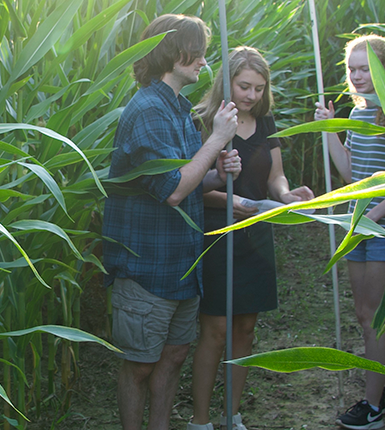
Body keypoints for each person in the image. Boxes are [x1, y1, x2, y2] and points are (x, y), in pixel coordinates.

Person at [102, 13, 242, 430]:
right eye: (195, 51)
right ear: (171, 52)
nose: (203, 61)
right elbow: (173, 190)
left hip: (182, 264)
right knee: (140, 365)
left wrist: (219, 171)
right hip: (147, 268)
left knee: (173, 356)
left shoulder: (177, 108)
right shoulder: (147, 110)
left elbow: (188, 179)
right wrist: (216, 138)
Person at [187, 46, 314, 430]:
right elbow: (193, 185)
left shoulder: (265, 122)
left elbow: (275, 176)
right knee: (216, 329)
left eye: (259, 88)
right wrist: (240, 202)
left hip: (257, 232)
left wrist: (286, 195)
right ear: (227, 82)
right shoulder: (204, 121)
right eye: (244, 86)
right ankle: (200, 420)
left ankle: (232, 413)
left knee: (245, 327)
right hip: (217, 233)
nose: (251, 96)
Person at [313, 34, 385, 430]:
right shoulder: (358, 116)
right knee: (366, 315)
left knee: (373, 317)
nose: (357, 76)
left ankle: (372, 406)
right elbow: (350, 173)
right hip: (356, 226)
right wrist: (329, 130)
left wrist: (375, 215)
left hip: (384, 230)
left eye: (365, 69)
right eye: (351, 69)